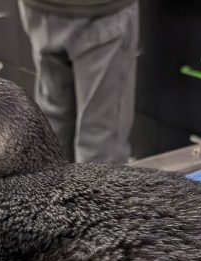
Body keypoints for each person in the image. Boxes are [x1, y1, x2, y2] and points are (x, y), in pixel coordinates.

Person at [18, 0, 138, 164]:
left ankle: (55, 188)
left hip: (40, 10)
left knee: (53, 129)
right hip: (97, 12)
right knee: (100, 144)